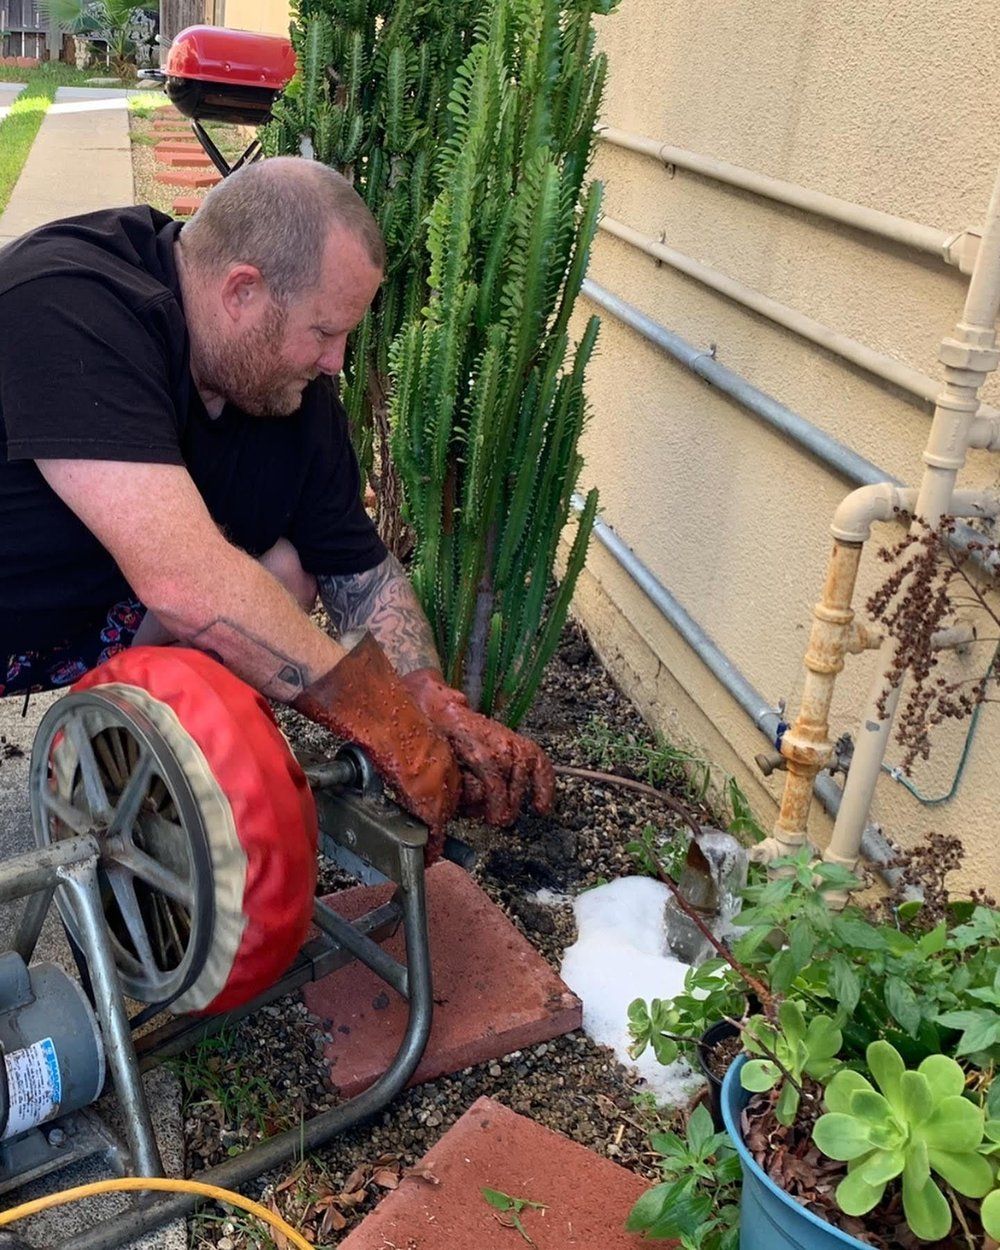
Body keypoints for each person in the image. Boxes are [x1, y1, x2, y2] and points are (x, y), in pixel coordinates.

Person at [0, 156, 554, 837]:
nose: (337, 361)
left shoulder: (293, 404)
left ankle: (135, 794)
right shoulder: (70, 301)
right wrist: (381, 722)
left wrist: (427, 704)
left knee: (289, 569)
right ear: (242, 292)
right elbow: (182, 579)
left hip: (81, 621)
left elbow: (362, 574)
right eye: (324, 332)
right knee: (213, 588)